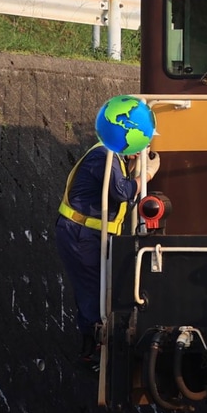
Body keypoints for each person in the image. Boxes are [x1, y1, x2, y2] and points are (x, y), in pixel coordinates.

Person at [55, 144, 160, 371]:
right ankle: (92, 352)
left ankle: (92, 345)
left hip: (91, 233)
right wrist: (147, 175)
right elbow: (120, 192)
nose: (147, 148)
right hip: (81, 232)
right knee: (93, 289)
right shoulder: (105, 156)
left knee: (96, 289)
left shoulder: (116, 159)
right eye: (144, 142)